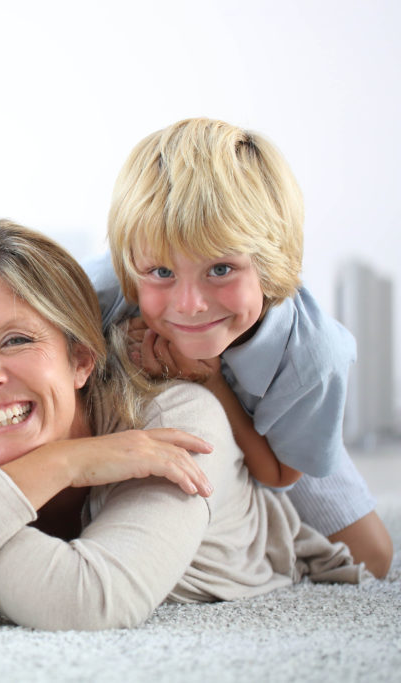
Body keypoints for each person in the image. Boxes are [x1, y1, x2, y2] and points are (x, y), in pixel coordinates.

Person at [0, 219, 365, 631]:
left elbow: (89, 602)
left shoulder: (175, 420)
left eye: (17, 340)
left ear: (82, 358)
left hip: (278, 516)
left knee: (379, 553)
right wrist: (60, 463)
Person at [89, 117, 392, 577]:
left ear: (270, 263)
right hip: (163, 426)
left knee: (373, 559)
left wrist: (211, 381)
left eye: (221, 269)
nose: (189, 306)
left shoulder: (312, 356)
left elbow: (280, 475)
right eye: (162, 273)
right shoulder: (103, 293)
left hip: (275, 438)